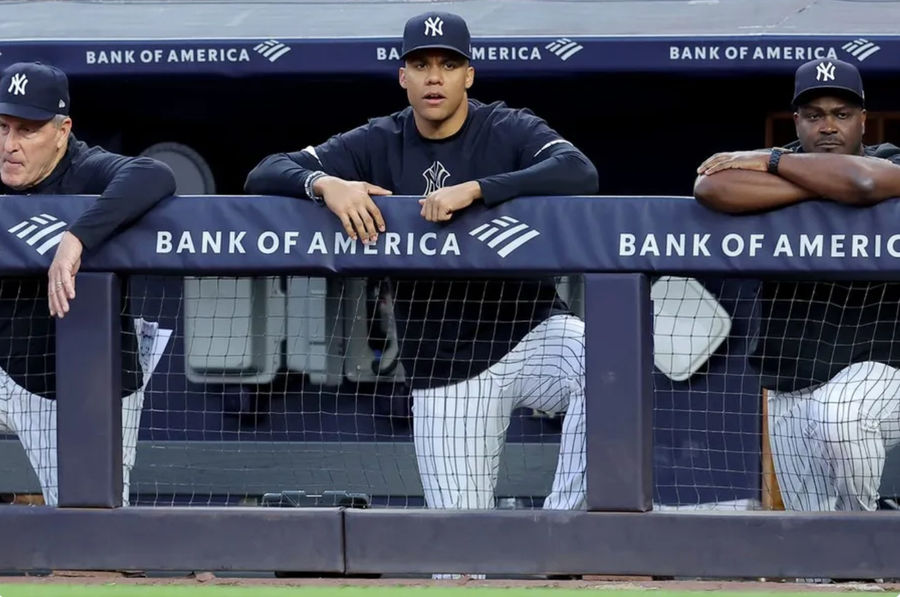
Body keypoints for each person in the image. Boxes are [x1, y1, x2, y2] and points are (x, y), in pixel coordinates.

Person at [247, 11, 598, 514]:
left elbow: (579, 171)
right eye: (421, 64)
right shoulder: (378, 140)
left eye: (448, 64)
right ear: (403, 76)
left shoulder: (505, 126)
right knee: (459, 556)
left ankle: (564, 531)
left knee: (605, 362)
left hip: (530, 333)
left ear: (468, 75)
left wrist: (478, 190)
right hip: (444, 365)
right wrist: (326, 184)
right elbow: (265, 171)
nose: (434, 76)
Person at [694, 58, 900, 511]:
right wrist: (823, 186)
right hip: (792, 372)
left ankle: (869, 538)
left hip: (884, 364)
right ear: (797, 120)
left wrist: (772, 161)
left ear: (863, 120)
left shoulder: (888, 159)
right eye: (814, 115)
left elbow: (866, 180)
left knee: (841, 415)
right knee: (810, 540)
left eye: (841, 114)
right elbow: (711, 189)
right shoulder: (768, 164)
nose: (828, 127)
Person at [0, 62, 176, 505]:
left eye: (27, 130)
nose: (10, 145)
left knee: (89, 538)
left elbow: (155, 174)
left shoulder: (86, 167)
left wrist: (77, 236)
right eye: (2, 127)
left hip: (81, 382)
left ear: (62, 131)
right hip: (6, 360)